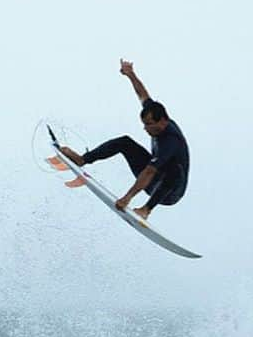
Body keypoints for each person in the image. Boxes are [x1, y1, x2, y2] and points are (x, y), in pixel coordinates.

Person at [55, 60, 190, 223]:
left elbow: (149, 171)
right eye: (144, 124)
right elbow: (143, 95)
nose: (146, 129)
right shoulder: (154, 112)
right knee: (125, 142)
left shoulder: (171, 140)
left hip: (170, 192)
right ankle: (83, 159)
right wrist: (130, 74)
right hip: (153, 181)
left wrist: (127, 198)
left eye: (149, 125)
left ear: (162, 121)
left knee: (174, 169)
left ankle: (146, 210)